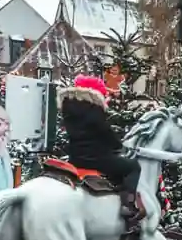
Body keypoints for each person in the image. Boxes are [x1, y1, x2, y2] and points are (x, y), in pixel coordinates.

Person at [59, 74, 142, 221]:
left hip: (75, 159)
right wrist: (119, 146)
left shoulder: (68, 107)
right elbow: (105, 132)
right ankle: (127, 204)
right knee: (133, 167)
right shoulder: (93, 109)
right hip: (97, 158)